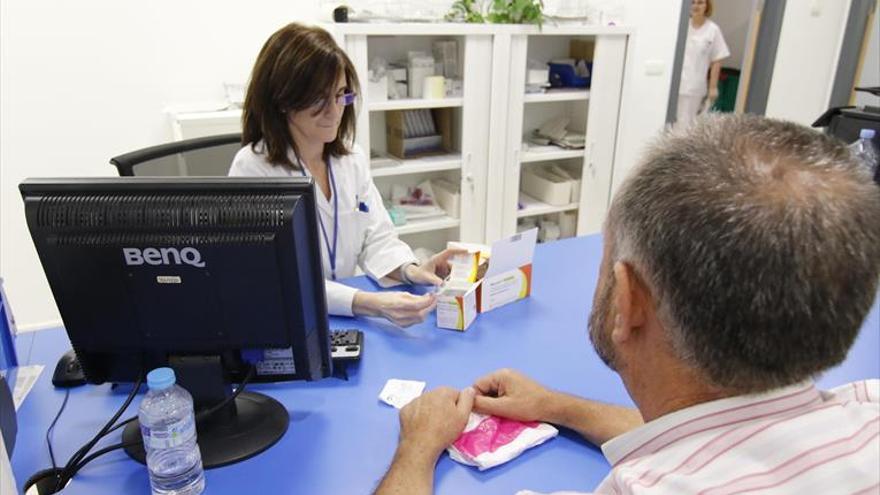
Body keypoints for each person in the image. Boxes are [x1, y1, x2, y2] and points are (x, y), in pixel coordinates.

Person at [375, 114, 880, 494]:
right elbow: (715, 429)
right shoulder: (868, 406)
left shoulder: (643, 487)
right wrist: (556, 406)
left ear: (628, 300)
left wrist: (417, 447)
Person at [230, 23, 461, 327]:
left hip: (350, 319)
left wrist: (410, 270)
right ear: (283, 100)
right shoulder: (253, 170)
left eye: (340, 95)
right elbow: (273, 280)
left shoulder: (351, 158)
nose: (335, 111)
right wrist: (369, 303)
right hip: (294, 322)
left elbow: (377, 238)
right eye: (318, 99)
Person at [677, 0, 730, 127]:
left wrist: (713, 87)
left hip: (694, 87)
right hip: (675, 84)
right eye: (693, 2)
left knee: (686, 125)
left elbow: (717, 59)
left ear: (707, 6)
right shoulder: (681, 24)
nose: (695, 6)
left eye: (700, 2)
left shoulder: (713, 30)